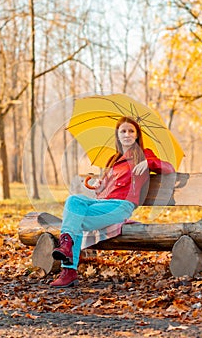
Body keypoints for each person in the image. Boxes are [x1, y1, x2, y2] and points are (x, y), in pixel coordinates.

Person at [50, 116, 175, 288]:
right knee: (74, 200)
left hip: (121, 206)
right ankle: (67, 254)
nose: (127, 134)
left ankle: (68, 267)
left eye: (131, 131)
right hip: (103, 204)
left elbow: (169, 168)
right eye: (123, 131)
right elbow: (107, 189)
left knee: (73, 220)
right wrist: (100, 185)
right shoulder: (114, 160)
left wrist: (148, 163)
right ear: (118, 135)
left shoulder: (143, 155)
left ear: (137, 135)